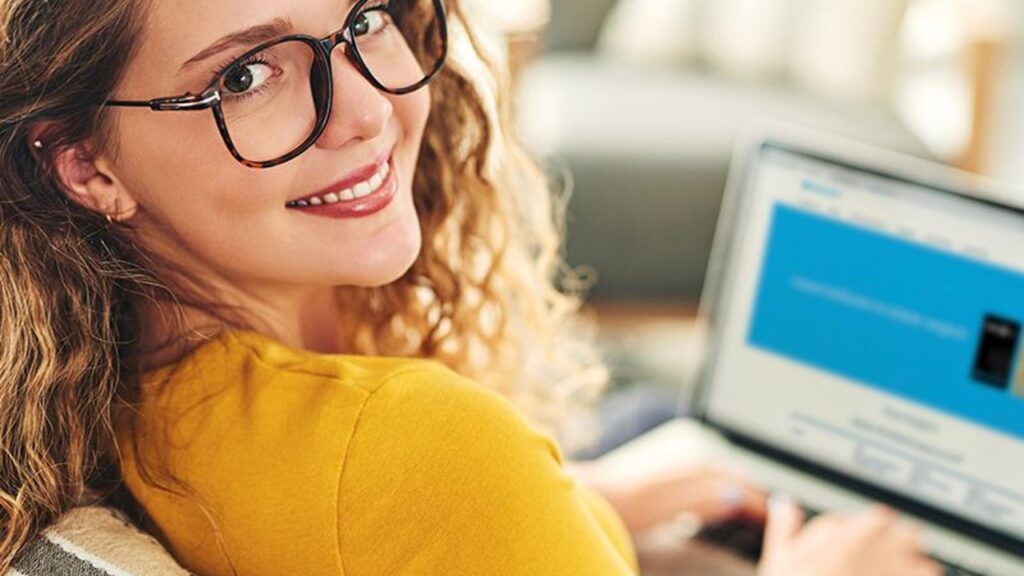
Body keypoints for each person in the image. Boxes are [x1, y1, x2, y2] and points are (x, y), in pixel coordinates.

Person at [0, 0, 943, 574]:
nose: (369, 111)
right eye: (247, 75)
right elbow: (413, 490)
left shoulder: (94, 391)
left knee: (660, 441)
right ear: (83, 163)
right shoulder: (422, 445)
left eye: (364, 20)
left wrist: (572, 506)